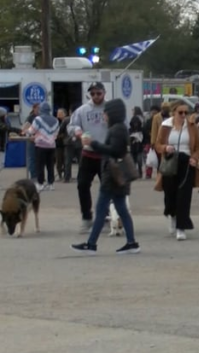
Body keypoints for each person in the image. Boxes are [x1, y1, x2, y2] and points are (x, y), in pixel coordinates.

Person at [71, 99, 140, 255]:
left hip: (112, 175)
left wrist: (94, 144)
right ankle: (131, 242)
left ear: (112, 113)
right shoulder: (121, 128)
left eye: (105, 112)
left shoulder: (116, 129)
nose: (104, 115)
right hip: (118, 176)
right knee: (121, 209)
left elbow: (114, 150)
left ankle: (91, 244)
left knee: (101, 209)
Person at [154, 100, 199, 241]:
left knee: (184, 195)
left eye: (186, 112)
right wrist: (165, 148)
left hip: (186, 162)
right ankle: (172, 215)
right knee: (170, 193)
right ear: (173, 112)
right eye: (180, 112)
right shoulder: (165, 126)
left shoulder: (192, 126)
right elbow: (157, 144)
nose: (183, 115)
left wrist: (194, 158)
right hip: (170, 161)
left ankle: (181, 227)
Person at [69, 82, 111, 234]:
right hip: (88, 153)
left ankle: (106, 218)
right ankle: (87, 218)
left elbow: (122, 126)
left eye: (98, 93)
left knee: (107, 187)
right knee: (82, 185)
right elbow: (71, 126)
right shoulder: (82, 110)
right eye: (92, 94)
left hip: (106, 153)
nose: (95, 96)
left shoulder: (110, 108)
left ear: (104, 93)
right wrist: (79, 133)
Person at [27, 102, 58, 191]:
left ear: (41, 110)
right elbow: (56, 132)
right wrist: (51, 139)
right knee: (50, 165)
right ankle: (51, 184)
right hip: (51, 146)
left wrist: (27, 132)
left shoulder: (38, 119)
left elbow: (32, 130)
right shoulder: (55, 120)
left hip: (40, 145)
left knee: (40, 165)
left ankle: (40, 184)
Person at [55, 108, 69, 182]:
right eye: (58, 113)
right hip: (58, 145)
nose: (58, 114)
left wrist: (60, 135)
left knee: (66, 161)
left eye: (60, 113)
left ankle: (66, 175)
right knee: (59, 160)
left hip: (65, 144)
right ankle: (60, 175)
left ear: (64, 114)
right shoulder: (56, 122)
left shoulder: (67, 121)